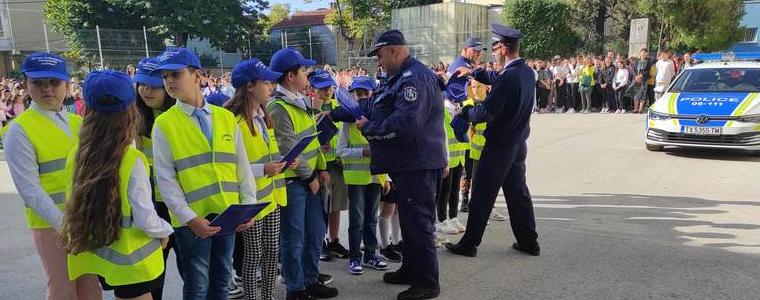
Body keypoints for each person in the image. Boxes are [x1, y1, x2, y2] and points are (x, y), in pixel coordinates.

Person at [151, 48, 258, 299]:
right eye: (165, 76)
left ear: (197, 76)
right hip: (193, 221)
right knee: (197, 285)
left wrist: (249, 205)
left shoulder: (225, 117)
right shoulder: (164, 124)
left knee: (222, 280)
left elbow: (241, 165)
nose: (168, 82)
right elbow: (166, 181)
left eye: (175, 75)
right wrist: (189, 218)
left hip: (227, 214)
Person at [62, 70, 173, 300]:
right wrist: (165, 230)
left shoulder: (77, 154)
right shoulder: (132, 160)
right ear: (130, 111)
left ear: (88, 110)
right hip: (132, 263)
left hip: (97, 255)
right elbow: (145, 217)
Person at [3, 52, 102, 299]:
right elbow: (30, 190)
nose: (47, 89)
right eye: (38, 82)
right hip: (50, 224)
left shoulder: (77, 122)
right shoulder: (19, 130)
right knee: (63, 289)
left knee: (90, 288)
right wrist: (64, 224)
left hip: (82, 220)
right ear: (27, 84)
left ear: (67, 84)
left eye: (54, 82)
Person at [358, 29, 446, 300]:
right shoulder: (400, 76)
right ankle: (411, 269)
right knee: (409, 223)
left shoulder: (413, 79)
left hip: (418, 164)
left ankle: (427, 282)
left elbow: (404, 126)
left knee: (419, 224)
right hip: (410, 163)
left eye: (381, 56)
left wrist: (370, 130)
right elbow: (377, 104)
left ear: (394, 50)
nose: (379, 63)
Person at [445, 23, 540, 258]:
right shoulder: (526, 72)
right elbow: (495, 77)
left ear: (504, 48)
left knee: (481, 193)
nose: (493, 52)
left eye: (496, 47)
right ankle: (529, 242)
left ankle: (469, 244)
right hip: (517, 144)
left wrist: (465, 111)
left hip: (500, 146)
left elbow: (485, 112)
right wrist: (474, 73)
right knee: (518, 194)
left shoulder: (508, 78)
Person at [268, 48, 338, 300]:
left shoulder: (300, 102)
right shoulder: (278, 106)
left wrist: (321, 169)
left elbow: (313, 142)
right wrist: (310, 178)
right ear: (289, 75)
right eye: (303, 70)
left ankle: (311, 279)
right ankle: (295, 287)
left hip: (311, 180)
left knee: (315, 233)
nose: (307, 74)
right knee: (294, 236)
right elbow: (287, 147)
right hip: (294, 181)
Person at [225, 59, 289, 300]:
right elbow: (231, 167)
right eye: (266, 82)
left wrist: (283, 161)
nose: (271, 86)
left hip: (271, 198)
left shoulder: (264, 116)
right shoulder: (234, 122)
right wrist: (264, 169)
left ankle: (269, 296)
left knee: (272, 252)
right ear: (250, 86)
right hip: (252, 203)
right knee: (253, 256)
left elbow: (267, 154)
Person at [133, 56, 179, 300]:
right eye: (141, 84)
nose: (146, 91)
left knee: (191, 272)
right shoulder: (132, 119)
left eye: (153, 85)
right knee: (152, 275)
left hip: (179, 206)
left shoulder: (179, 118)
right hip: (149, 208)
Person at [335, 75, 391, 275]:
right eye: (358, 94)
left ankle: (370, 254)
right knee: (357, 220)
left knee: (371, 219)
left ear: (373, 94)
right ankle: (355, 257)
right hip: (356, 179)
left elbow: (386, 150)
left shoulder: (379, 120)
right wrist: (362, 152)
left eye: (365, 93)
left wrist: (386, 178)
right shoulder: (348, 123)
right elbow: (340, 151)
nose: (361, 98)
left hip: (375, 177)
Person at [308, 69, 350, 262]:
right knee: (321, 207)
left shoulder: (338, 107)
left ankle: (334, 240)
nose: (327, 92)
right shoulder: (309, 109)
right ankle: (321, 242)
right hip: (319, 166)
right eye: (323, 89)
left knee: (337, 205)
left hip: (337, 163)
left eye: (330, 88)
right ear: (313, 90)